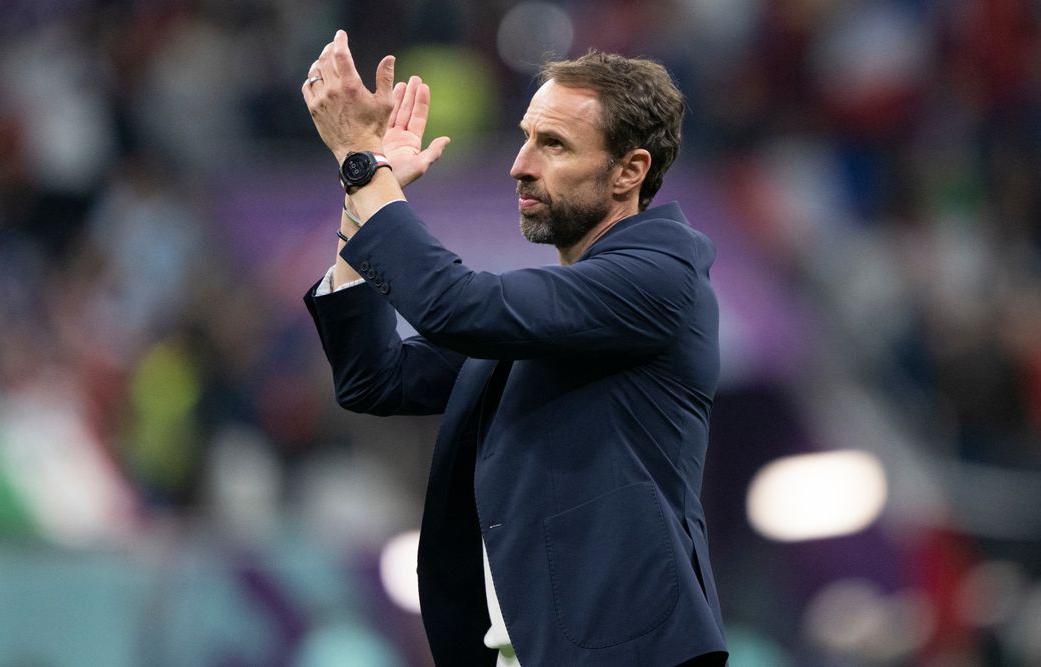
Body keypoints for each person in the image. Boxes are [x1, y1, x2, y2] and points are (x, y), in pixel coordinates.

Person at [301, 30, 728, 667]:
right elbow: (375, 379)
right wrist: (363, 198)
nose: (520, 163)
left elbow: (455, 306)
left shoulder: (659, 276)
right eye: (526, 136)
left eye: (553, 144)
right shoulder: (564, 310)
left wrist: (364, 166)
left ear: (629, 171)